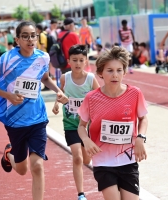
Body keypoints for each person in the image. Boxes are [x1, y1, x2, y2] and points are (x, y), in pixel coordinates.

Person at [0, 21, 68, 200]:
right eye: (25, 36)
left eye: (33, 35)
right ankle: (9, 153)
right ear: (17, 39)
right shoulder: (6, 59)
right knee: (22, 170)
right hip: (14, 120)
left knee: (37, 166)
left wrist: (58, 90)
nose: (30, 39)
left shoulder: (43, 57)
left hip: (37, 118)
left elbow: (44, 77)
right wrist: (8, 96)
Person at [77, 46, 148, 200]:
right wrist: (86, 140)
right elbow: (81, 126)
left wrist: (141, 138)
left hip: (128, 160)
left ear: (124, 72)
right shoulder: (92, 98)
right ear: (101, 73)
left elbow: (143, 118)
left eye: (119, 70)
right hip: (103, 161)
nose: (115, 75)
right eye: (110, 70)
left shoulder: (135, 93)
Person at [52, 44, 99, 200]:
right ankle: (81, 194)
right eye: (74, 60)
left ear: (86, 61)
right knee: (77, 158)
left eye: (81, 60)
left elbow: (100, 98)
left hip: (87, 126)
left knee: (86, 159)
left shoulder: (91, 79)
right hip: (71, 124)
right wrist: (56, 104)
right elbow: (60, 93)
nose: (78, 63)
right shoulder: (65, 77)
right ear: (69, 61)